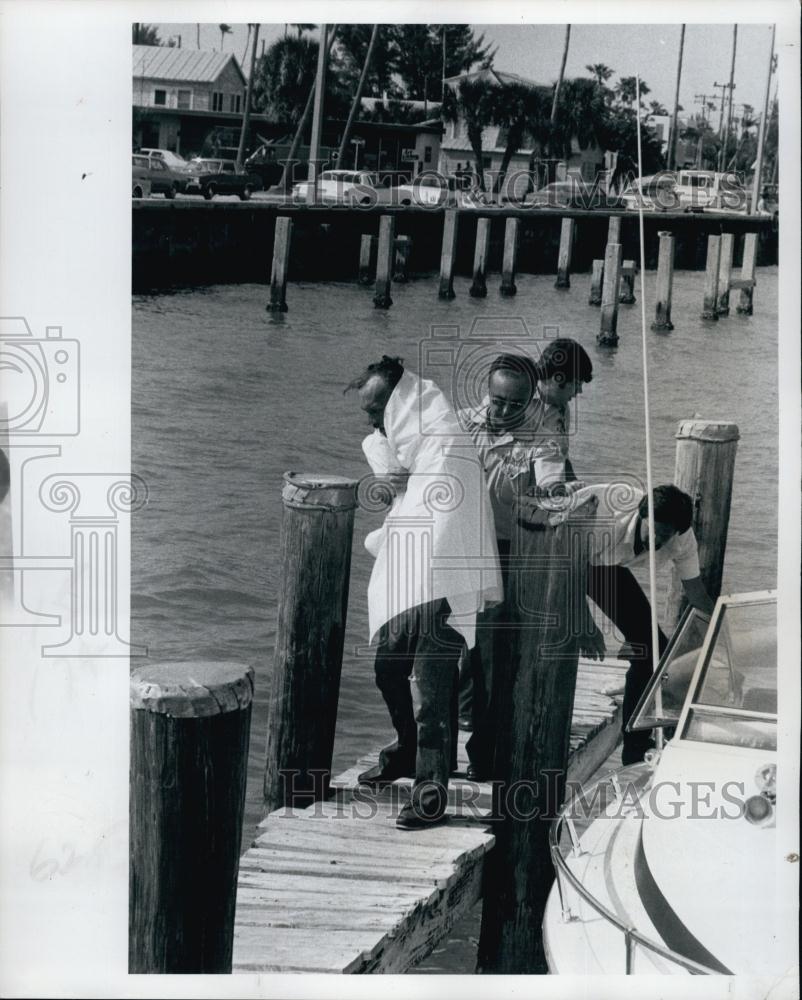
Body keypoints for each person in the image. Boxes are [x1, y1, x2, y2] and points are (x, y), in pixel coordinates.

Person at [346, 356, 502, 829]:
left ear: (402, 403)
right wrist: (388, 475)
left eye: (378, 411)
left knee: (432, 693)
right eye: (370, 413)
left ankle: (431, 793)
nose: (374, 421)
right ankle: (406, 750)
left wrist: (429, 596)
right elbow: (403, 488)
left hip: (446, 586)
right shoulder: (414, 439)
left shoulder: (447, 442)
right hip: (412, 577)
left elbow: (447, 518)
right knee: (386, 669)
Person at [456, 339, 594, 779]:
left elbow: (552, 472)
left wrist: (561, 492)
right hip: (459, 548)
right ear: (487, 393)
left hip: (509, 552)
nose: (503, 411)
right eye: (497, 401)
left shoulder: (543, 431)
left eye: (514, 404)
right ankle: (434, 751)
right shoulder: (459, 424)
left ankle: (484, 754)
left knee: (496, 656)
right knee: (450, 651)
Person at [544, 482, 714, 764]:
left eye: (665, 536)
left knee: (651, 650)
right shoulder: (607, 515)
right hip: (553, 553)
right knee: (553, 644)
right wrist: (584, 624)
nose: (657, 542)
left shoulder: (682, 538)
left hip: (604, 564)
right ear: (641, 514)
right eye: (654, 532)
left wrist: (720, 630)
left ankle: (634, 749)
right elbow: (568, 566)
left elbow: (696, 592)